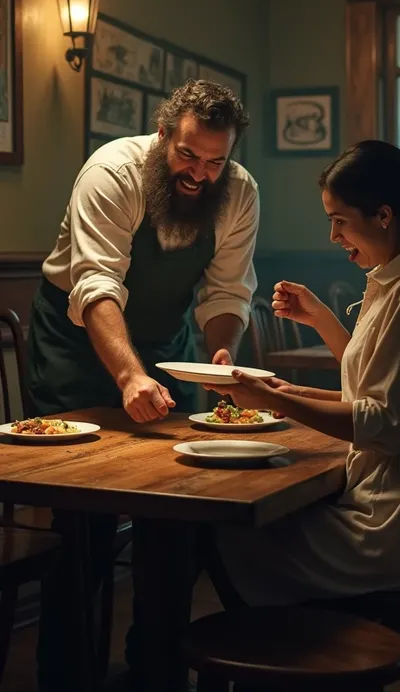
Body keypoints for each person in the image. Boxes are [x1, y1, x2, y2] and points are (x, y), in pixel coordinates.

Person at [27, 79, 260, 690]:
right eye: (188, 155)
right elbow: (96, 285)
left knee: (179, 503)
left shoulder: (238, 192)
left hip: (168, 343)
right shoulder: (113, 173)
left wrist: (220, 354)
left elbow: (228, 291)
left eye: (215, 161)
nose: (200, 173)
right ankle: (67, 673)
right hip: (77, 344)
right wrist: (128, 375)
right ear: (163, 136)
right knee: (85, 513)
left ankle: (154, 669)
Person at [207, 139, 400, 607]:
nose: (333, 236)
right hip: (388, 502)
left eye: (339, 221)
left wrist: (274, 401)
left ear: (384, 215)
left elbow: (384, 426)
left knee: (216, 529)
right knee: (224, 526)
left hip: (391, 524)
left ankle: (252, 658)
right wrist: (301, 359)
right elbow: (374, 390)